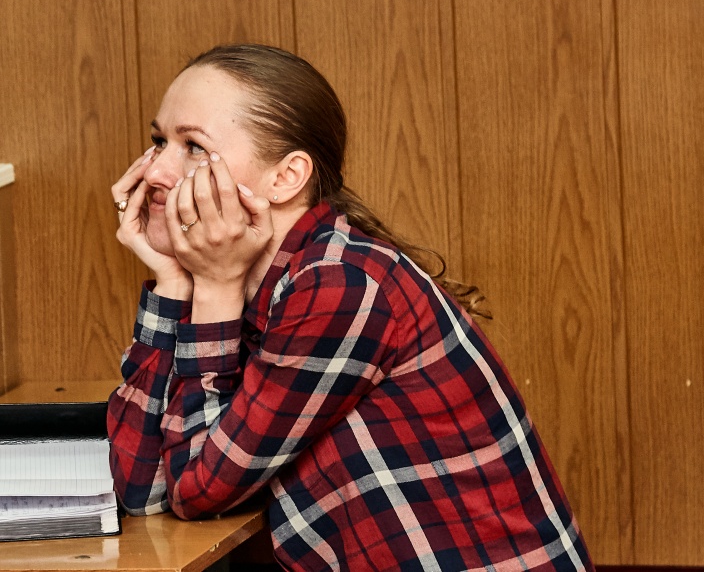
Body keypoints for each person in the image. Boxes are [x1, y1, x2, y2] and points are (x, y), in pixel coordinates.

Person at [107, 43, 593, 571]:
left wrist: (214, 288)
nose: (157, 172)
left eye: (194, 147)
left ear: (286, 177)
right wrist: (173, 282)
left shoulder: (339, 285)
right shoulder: (249, 284)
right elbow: (142, 491)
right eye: (159, 141)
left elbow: (196, 490)